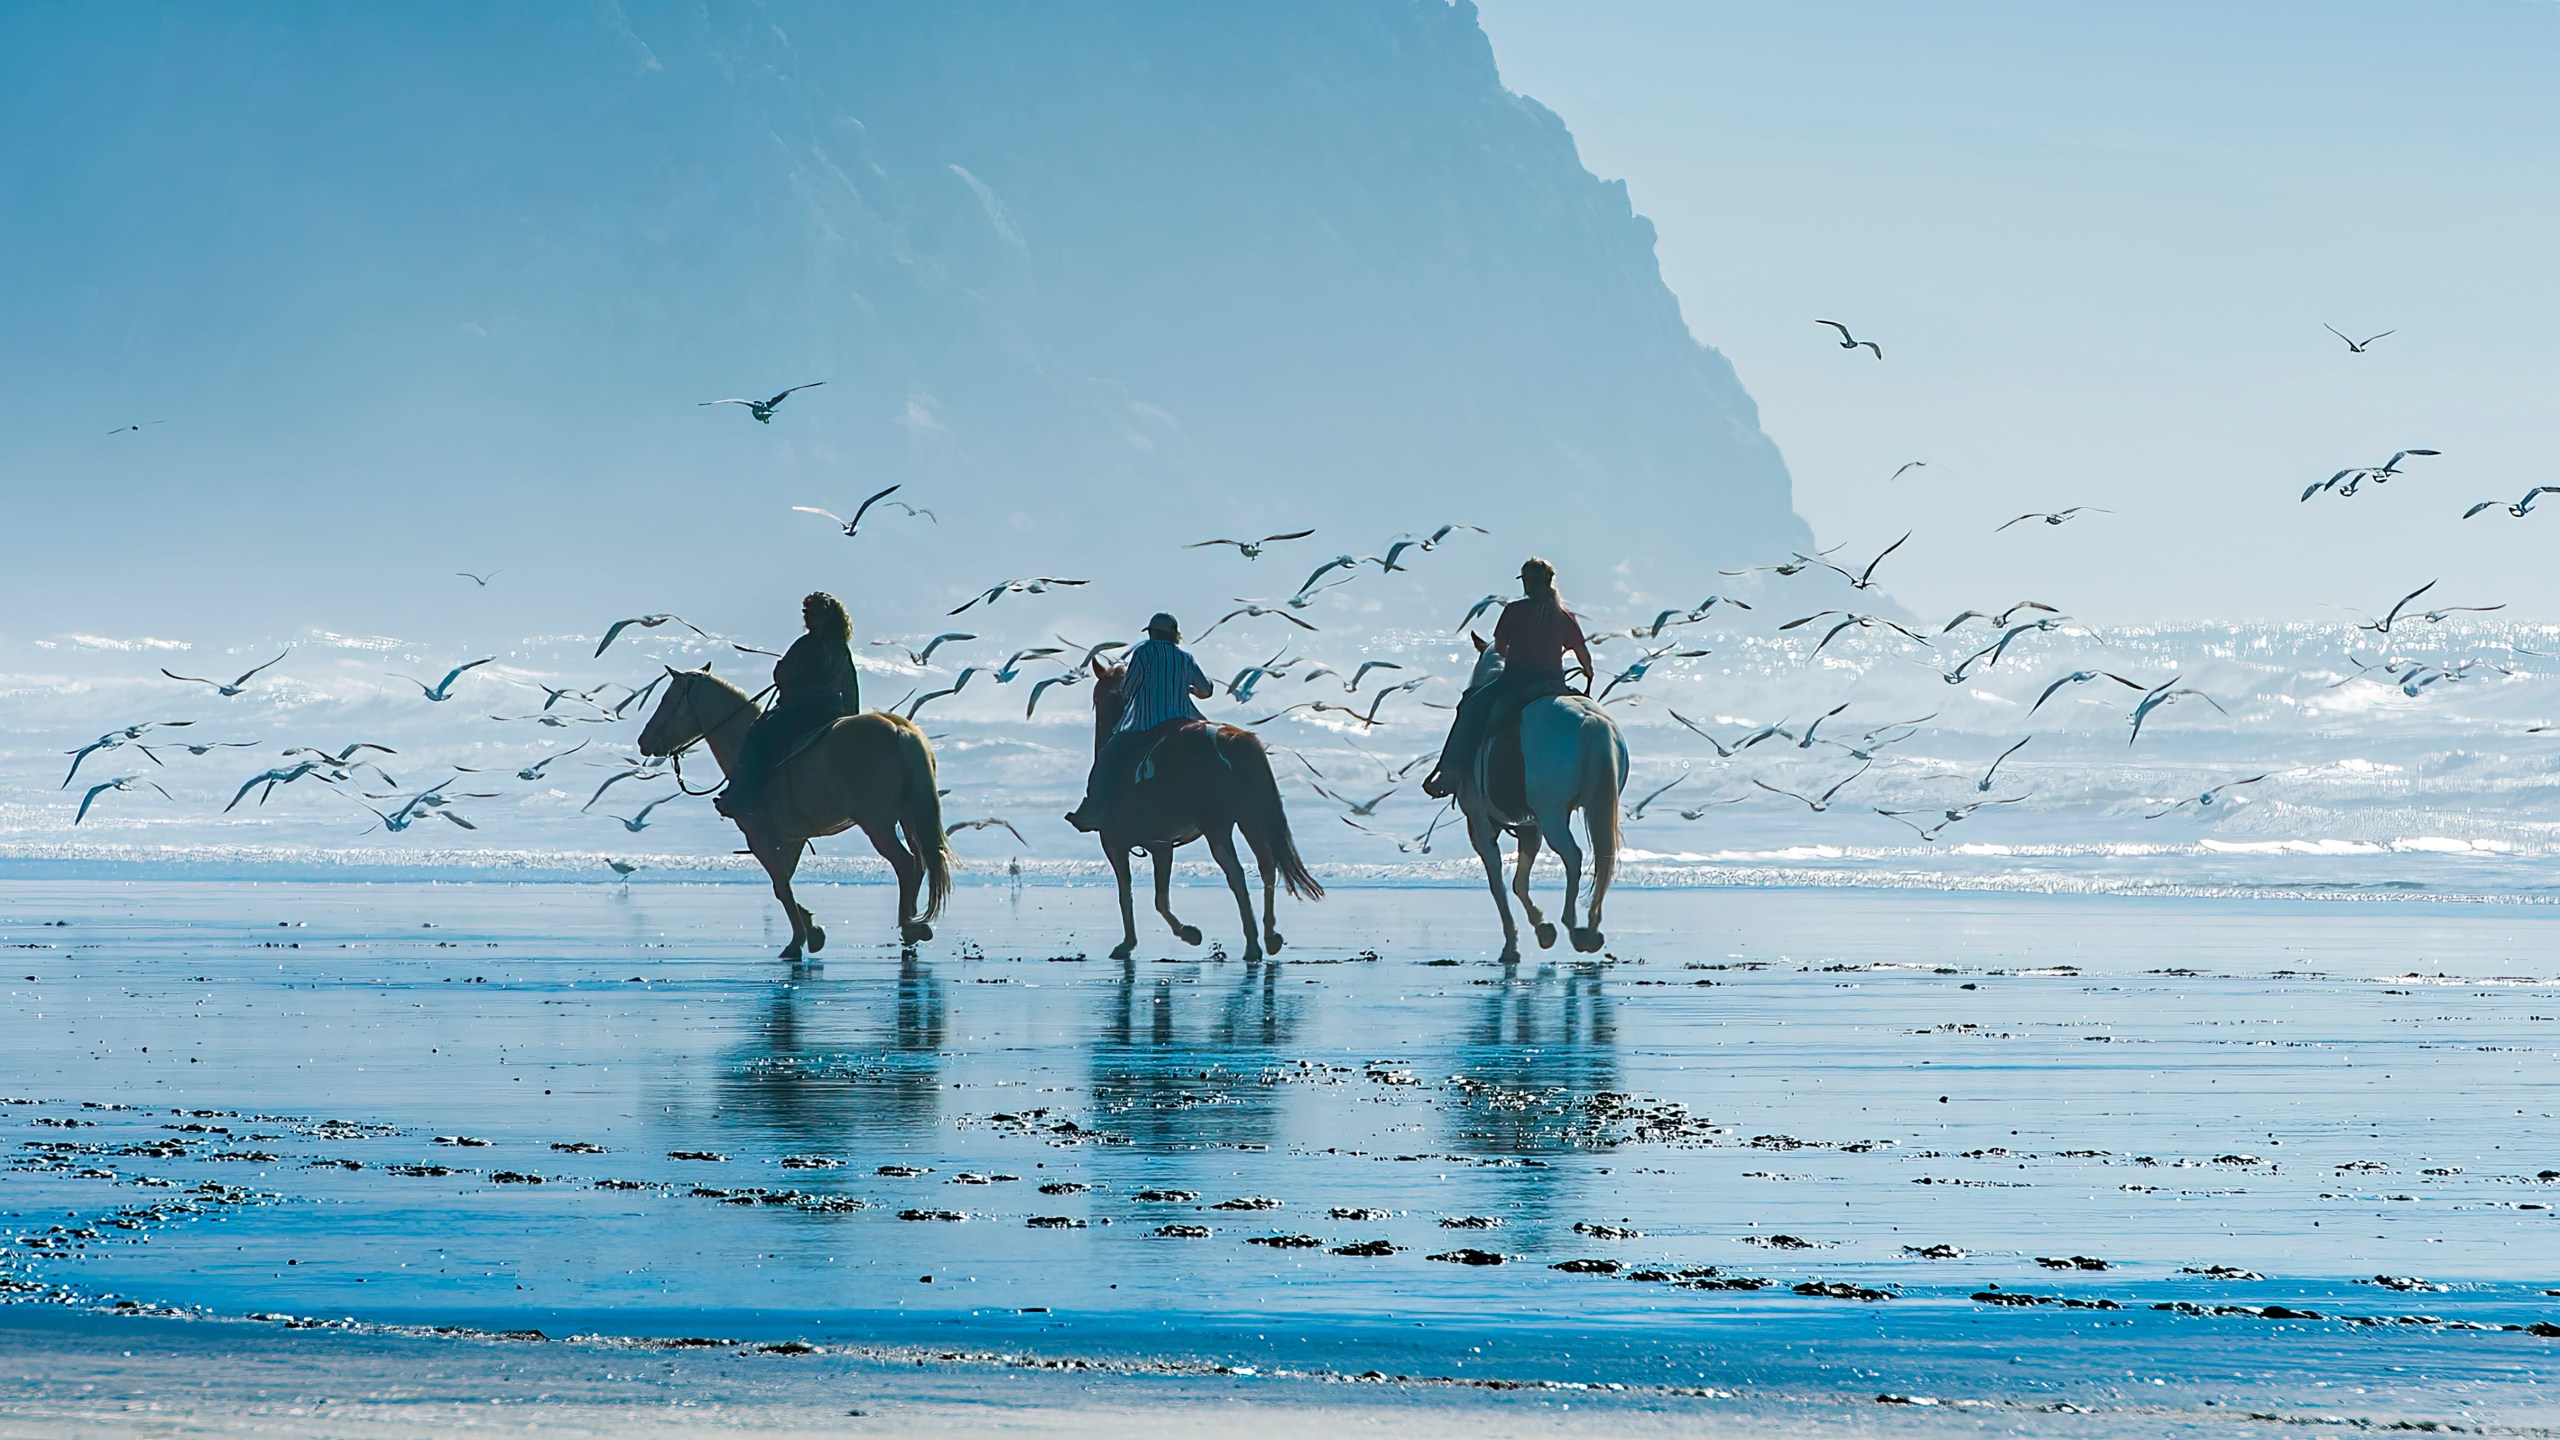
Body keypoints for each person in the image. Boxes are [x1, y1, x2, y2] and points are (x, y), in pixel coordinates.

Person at [1423, 558, 1593, 799]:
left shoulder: (1514, 610)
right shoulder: (1564, 615)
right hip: (1554, 684)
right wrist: (1589, 673)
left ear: (1526, 583)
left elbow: (1500, 649)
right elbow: (1583, 655)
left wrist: (1520, 653)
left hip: (1515, 681)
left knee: (1469, 706)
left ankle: (1449, 773)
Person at [715, 592, 861, 821]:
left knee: (759, 734)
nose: (810, 618)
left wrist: (781, 670)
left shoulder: (808, 644)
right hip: (834, 710)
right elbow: (850, 684)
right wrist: (852, 718)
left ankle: (744, 797)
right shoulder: (839, 646)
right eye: (807, 613)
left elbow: (786, 676)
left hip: (804, 709)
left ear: (825, 616)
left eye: (813, 614)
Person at [1065, 612, 1215, 834]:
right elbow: (1207, 690)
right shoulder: (1185, 658)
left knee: (1105, 760)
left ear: (1152, 633)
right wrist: (1188, 688)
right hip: (1184, 724)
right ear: (1175, 636)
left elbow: (1128, 690)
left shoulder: (1143, 653)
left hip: (1148, 724)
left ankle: (1093, 811)